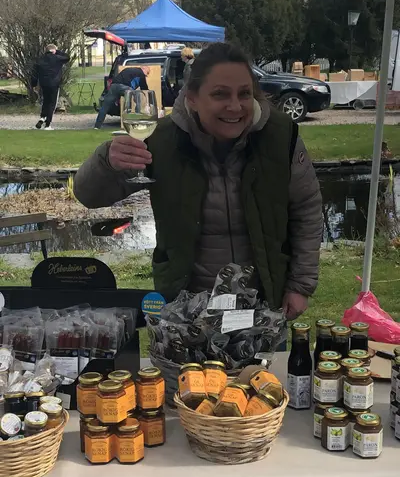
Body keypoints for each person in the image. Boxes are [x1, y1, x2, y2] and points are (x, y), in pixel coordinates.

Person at [75, 43, 322, 320]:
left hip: (263, 302)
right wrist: (106, 161)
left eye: (244, 93)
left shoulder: (280, 136)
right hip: (187, 308)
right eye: (220, 94)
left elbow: (307, 210)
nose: (235, 106)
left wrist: (300, 285)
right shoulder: (161, 141)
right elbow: (88, 195)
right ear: (192, 98)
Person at [31, 44, 70, 130]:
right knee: (52, 104)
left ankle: (42, 118)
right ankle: (48, 124)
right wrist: (58, 51)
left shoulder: (40, 59)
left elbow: (34, 74)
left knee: (46, 101)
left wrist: (34, 84)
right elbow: (67, 57)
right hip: (54, 84)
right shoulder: (57, 58)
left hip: (44, 84)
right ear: (54, 50)